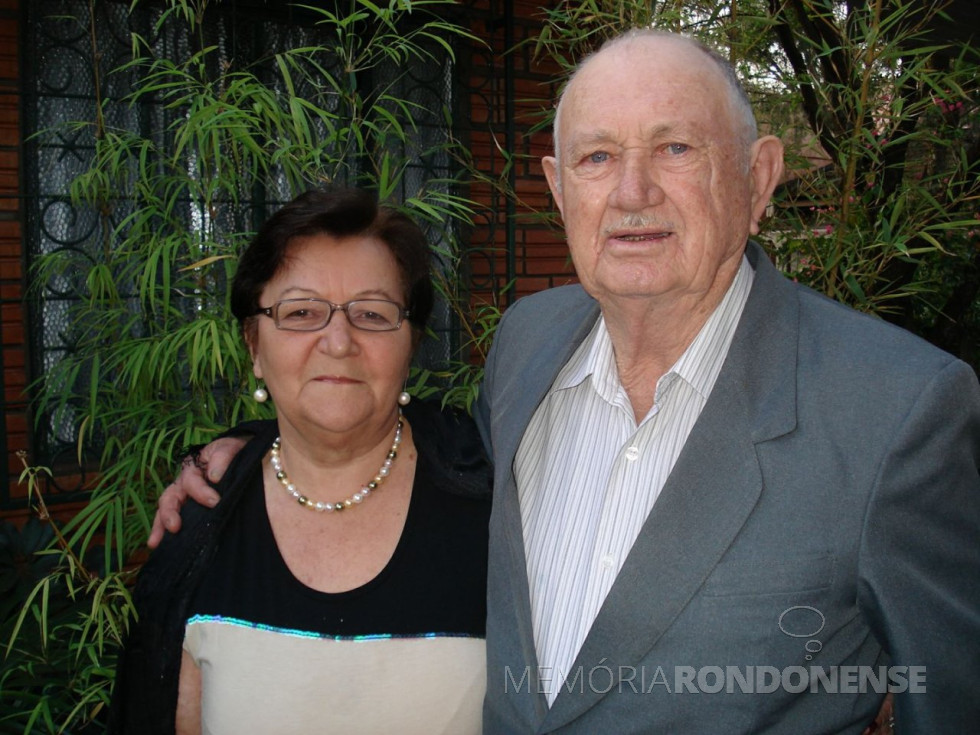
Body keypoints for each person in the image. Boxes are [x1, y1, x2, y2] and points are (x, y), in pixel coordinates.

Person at [154, 30, 980, 733]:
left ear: (758, 180)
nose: (631, 192)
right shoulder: (526, 342)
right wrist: (262, 449)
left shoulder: (899, 412)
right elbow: (411, 442)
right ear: (557, 190)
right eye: (597, 156)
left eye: (676, 147)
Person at [112, 186, 491, 734]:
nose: (338, 341)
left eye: (372, 312)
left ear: (411, 343)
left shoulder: (493, 507)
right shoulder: (202, 526)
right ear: (253, 346)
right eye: (301, 312)